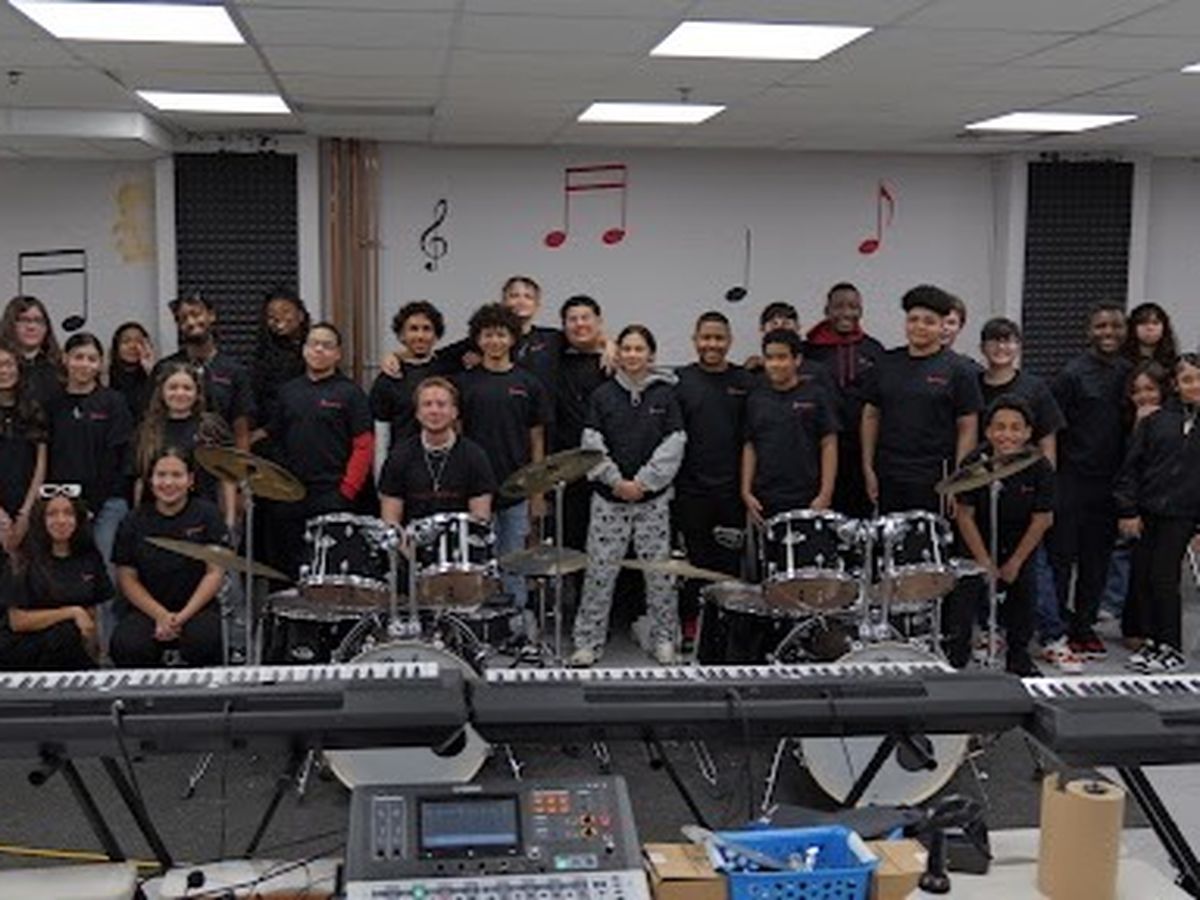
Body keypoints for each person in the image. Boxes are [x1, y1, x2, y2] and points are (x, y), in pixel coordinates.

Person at [571, 325, 686, 667]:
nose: (633, 355)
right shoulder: (602, 395)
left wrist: (645, 482)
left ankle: (664, 638)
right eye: (627, 349)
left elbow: (675, 442)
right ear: (618, 354)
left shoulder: (666, 395)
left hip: (654, 501)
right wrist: (616, 481)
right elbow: (591, 443)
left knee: (659, 574)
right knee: (599, 573)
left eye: (639, 349)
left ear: (651, 355)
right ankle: (587, 642)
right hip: (609, 500)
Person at [1050, 302, 1132, 658]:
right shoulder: (1071, 374)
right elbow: (1052, 428)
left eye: (1115, 326)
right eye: (1101, 326)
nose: (1108, 332)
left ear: (1124, 332)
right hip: (1072, 480)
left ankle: (1084, 626)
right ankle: (1055, 625)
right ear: (1089, 332)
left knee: (1097, 561)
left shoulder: (1130, 373)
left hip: (1110, 483)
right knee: (1062, 557)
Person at [457, 303, 551, 614]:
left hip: (516, 490)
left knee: (513, 561)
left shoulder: (529, 384)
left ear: (512, 339)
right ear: (478, 339)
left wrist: (537, 492)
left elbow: (537, 440)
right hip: (473, 490)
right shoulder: (464, 383)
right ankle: (478, 625)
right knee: (475, 562)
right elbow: (457, 435)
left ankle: (515, 624)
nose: (494, 341)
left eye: (501, 334)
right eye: (488, 335)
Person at [951, 396, 1055, 676]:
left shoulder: (1039, 466)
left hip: (1021, 540)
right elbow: (964, 515)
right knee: (964, 596)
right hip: (977, 538)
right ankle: (957, 655)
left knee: (1025, 594)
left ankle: (1018, 656)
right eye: (999, 427)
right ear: (987, 431)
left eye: (1015, 428)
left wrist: (1015, 562)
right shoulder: (974, 463)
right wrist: (983, 561)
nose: (1007, 435)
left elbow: (1043, 519)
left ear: (1028, 432)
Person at [265, 322, 374, 578]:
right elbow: (275, 440)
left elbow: (364, 446)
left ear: (337, 354)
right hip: (291, 494)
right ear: (304, 350)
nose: (319, 350)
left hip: (333, 493)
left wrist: (347, 491)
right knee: (290, 571)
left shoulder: (351, 393)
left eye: (327, 345)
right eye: (314, 344)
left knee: (330, 570)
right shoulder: (287, 392)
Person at [861, 285, 982, 513]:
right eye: (913, 320)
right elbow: (871, 415)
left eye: (929, 321)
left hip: (936, 476)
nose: (919, 327)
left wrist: (959, 478)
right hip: (889, 472)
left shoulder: (960, 370)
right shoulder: (885, 363)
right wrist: (868, 466)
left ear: (941, 326)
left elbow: (968, 427)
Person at [1115, 353, 1200, 673]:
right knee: (1144, 578)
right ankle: (1152, 641)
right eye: (1187, 380)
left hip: (1183, 515)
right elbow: (1132, 468)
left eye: (1199, 379)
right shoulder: (1155, 421)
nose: (1194, 385)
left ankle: (1171, 646)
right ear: (1175, 385)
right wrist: (1128, 508)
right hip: (1148, 511)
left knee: (1165, 579)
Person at [674, 311, 754, 640]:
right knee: (695, 561)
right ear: (695, 340)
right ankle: (693, 623)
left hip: (732, 491)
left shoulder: (745, 381)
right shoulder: (680, 380)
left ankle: (727, 624)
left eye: (719, 338)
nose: (712, 344)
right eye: (706, 338)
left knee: (729, 563)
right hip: (691, 489)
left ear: (730, 341)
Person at [109, 447, 227, 667]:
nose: (168, 482)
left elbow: (214, 573)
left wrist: (180, 617)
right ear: (150, 480)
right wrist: (161, 615)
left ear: (190, 480)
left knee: (206, 640)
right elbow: (127, 578)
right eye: (161, 475)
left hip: (197, 607)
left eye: (176, 475)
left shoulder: (208, 514)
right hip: (146, 609)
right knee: (127, 645)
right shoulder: (133, 521)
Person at [0, 486, 113, 670]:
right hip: (24, 650)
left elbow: (92, 614)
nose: (61, 520)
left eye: (68, 513)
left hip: (71, 650)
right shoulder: (21, 560)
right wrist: (72, 612)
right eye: (52, 514)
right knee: (65, 631)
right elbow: (17, 621)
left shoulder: (90, 557)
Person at [47, 333, 134, 566]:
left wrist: (91, 505)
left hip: (108, 502)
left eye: (92, 359)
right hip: (62, 503)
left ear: (101, 364)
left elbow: (119, 456)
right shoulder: (52, 404)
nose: (85, 364)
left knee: (105, 567)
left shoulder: (114, 402)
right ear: (65, 358)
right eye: (78, 357)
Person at [803, 282, 885, 518]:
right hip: (817, 450)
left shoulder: (875, 350)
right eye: (839, 306)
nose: (846, 313)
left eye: (853, 307)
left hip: (861, 450)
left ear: (861, 310)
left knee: (860, 519)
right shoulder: (808, 351)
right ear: (827, 310)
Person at [742, 329, 838, 523]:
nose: (775, 364)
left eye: (782, 357)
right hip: (765, 497)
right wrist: (746, 492)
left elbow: (829, 443)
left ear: (797, 360)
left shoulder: (816, 395)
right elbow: (750, 445)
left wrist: (825, 493)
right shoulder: (756, 399)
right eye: (770, 358)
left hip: (808, 497)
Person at [379, 376, 496, 526]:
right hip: (412, 539)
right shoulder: (399, 457)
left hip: (461, 538)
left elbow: (480, 518)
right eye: (427, 404)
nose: (434, 411)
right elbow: (390, 519)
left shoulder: (475, 456)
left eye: (441, 404)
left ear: (454, 412)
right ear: (417, 413)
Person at [134, 361, 235, 522]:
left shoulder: (211, 427)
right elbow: (139, 478)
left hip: (203, 518)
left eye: (187, 388)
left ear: (197, 393)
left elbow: (227, 478)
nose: (180, 393)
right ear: (162, 392)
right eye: (173, 387)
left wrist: (230, 520)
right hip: (156, 517)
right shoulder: (147, 429)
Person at [153, 293, 255, 450]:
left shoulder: (235, 371)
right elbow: (152, 420)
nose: (190, 322)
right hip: (174, 456)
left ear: (211, 316)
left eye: (196, 314)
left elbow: (241, 430)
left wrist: (242, 463)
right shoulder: (165, 368)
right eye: (183, 319)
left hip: (220, 457)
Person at [371, 300, 462, 475]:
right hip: (402, 468)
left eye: (427, 329)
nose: (420, 335)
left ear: (436, 335)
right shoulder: (389, 377)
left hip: (446, 467)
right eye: (413, 329)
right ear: (401, 335)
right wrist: (380, 477)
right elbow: (381, 435)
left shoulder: (450, 370)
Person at [555, 296, 609, 552]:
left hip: (610, 470)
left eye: (585, 318)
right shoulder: (553, 359)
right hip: (567, 470)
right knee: (571, 547)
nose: (579, 324)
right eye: (572, 319)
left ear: (599, 321)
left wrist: (610, 345)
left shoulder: (616, 361)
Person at [0, 341, 48, 556]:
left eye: (8, 364)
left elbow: (41, 463)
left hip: (28, 503)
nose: (3, 371)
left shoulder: (33, 408)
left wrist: (26, 513)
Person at [250, 287, 310, 444]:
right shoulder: (262, 356)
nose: (278, 318)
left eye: (285, 311)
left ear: (300, 315)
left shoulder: (314, 350)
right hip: (271, 439)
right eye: (271, 316)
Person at [0, 295, 62, 410]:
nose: (31, 327)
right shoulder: (3, 367)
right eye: (24, 320)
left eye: (38, 321)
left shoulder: (60, 366)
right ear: (10, 324)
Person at [108, 322, 155, 428]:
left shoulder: (154, 376)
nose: (133, 346)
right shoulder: (105, 378)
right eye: (126, 341)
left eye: (139, 342)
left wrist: (151, 370)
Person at [1122, 301, 1178, 370]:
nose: (1150, 328)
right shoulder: (1120, 361)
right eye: (1143, 323)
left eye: (1155, 323)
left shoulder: (1174, 362)